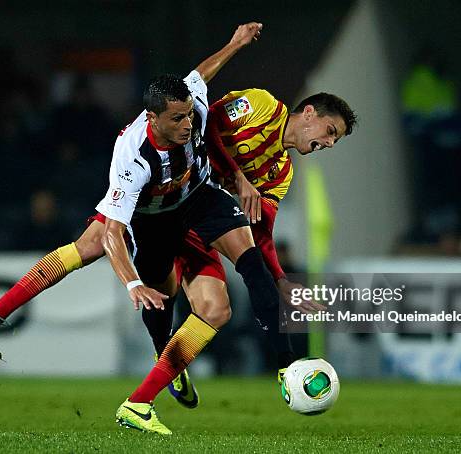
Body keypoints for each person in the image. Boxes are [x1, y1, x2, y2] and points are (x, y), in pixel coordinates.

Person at [117, 88, 356, 434]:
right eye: (330, 131)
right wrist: (238, 175)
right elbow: (207, 122)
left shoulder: (281, 173)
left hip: (204, 221)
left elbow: (261, 232)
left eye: (337, 140)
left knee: (218, 308)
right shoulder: (261, 105)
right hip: (166, 202)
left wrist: (282, 280)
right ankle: (175, 357)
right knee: (95, 249)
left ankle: (139, 402)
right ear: (308, 113)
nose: (330, 143)